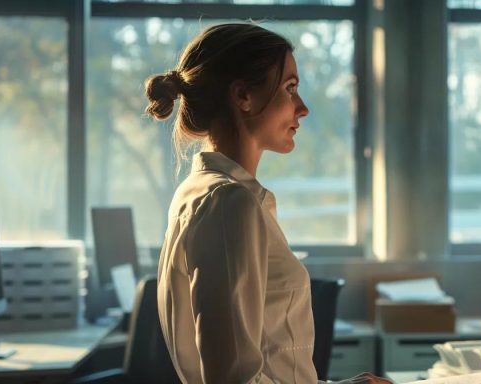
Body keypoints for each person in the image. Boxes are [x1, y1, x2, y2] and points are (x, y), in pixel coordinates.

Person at [146, 23, 388, 384]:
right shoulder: (229, 202)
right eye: (290, 88)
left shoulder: (203, 192)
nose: (302, 108)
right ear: (244, 96)